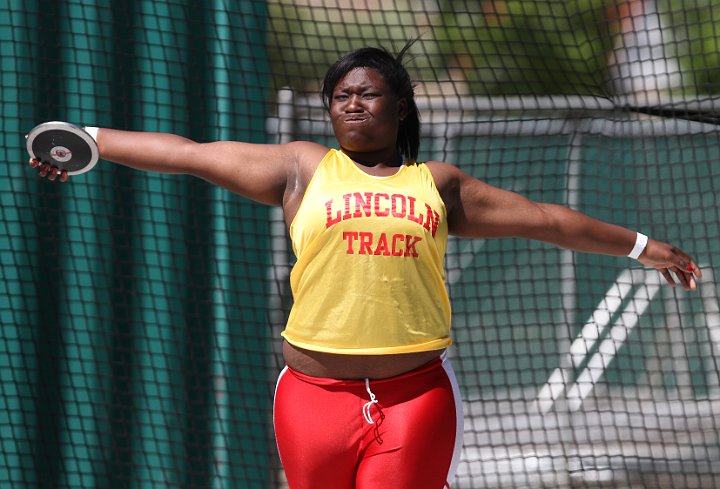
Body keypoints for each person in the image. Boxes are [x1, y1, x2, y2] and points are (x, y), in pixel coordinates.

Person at [28, 43, 701, 489]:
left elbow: (548, 219)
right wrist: (86, 142)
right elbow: (190, 152)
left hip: (415, 399)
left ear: (398, 105)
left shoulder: (437, 183)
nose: (352, 102)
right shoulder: (300, 168)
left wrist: (643, 247)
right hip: (312, 397)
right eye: (341, 94)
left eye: (368, 93)